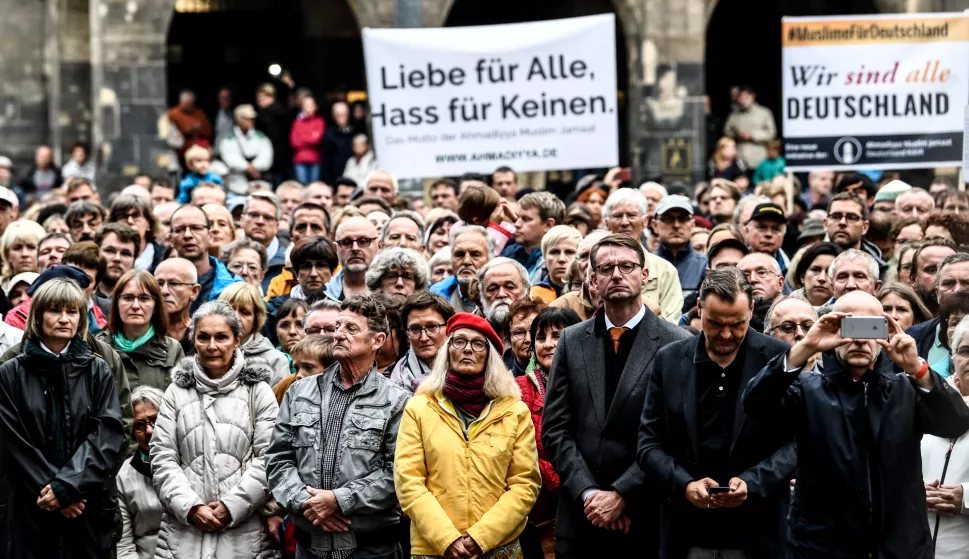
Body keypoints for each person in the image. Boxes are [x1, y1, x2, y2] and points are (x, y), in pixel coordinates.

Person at [744, 290, 969, 558]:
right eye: (850, 326)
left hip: (899, 547)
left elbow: (955, 423)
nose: (860, 339)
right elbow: (756, 403)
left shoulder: (906, 390)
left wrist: (917, 368)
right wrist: (806, 347)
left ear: (884, 332)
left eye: (871, 326)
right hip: (822, 548)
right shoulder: (807, 389)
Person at [543, 234, 692, 558]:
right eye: (606, 268)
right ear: (592, 279)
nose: (617, 274)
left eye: (627, 266)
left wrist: (622, 494)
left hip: (646, 518)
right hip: (581, 519)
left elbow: (676, 433)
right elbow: (555, 428)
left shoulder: (677, 342)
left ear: (645, 274)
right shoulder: (571, 340)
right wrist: (589, 494)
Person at [639, 268, 794, 559]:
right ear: (698, 308)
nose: (725, 334)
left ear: (751, 310)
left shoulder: (776, 358)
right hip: (685, 531)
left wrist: (753, 482)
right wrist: (684, 484)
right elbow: (648, 444)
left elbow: (795, 444)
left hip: (759, 531)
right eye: (715, 323)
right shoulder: (669, 360)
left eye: (737, 324)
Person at [268, 295, 410, 559]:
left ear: (377, 340)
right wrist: (306, 502)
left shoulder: (398, 401)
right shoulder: (299, 391)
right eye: (338, 327)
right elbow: (278, 459)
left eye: (351, 328)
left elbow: (399, 473)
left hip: (372, 549)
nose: (339, 335)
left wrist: (339, 500)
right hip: (308, 546)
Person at [395, 312, 541, 558]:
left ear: (490, 355)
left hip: (498, 545)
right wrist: (447, 538)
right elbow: (408, 481)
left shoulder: (514, 410)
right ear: (448, 350)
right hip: (434, 546)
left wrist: (480, 537)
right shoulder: (420, 407)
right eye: (459, 341)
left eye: (477, 344)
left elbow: (525, 484)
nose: (467, 350)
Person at [0, 278, 124, 558]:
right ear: (38, 315)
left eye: (72, 312)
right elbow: (13, 443)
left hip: (85, 508)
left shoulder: (97, 370)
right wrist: (55, 492)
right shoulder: (11, 373)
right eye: (55, 310)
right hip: (29, 507)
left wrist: (68, 487)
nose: (64, 319)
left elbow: (107, 433)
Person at [150, 300, 279, 559]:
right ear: (193, 340)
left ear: (237, 340)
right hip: (184, 535)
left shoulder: (258, 391)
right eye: (203, 337)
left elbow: (270, 458)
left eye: (221, 337)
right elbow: (162, 456)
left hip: (244, 536)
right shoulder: (177, 392)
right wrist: (191, 507)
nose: (212, 346)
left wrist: (231, 507)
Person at [518, 307, 582, 559]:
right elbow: (522, 454)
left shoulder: (595, 385)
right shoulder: (518, 390)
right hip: (537, 512)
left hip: (587, 508)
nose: (548, 344)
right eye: (541, 338)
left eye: (557, 335)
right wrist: (568, 483)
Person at [923, 315, 969, 559]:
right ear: (953, 357)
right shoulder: (923, 401)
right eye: (966, 351)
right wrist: (911, 492)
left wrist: (967, 498)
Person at [601, 189, 685, 322]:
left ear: (645, 221)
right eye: (617, 216)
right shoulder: (595, 267)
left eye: (631, 215)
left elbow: (671, 323)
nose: (624, 222)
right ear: (606, 223)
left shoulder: (665, 270)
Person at [98, 269, 184, 393]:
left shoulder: (172, 349)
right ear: (117, 303)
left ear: (155, 305)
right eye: (128, 298)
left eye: (144, 298)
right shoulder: (100, 346)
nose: (135, 306)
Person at [116, 385, 165, 559]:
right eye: (140, 425)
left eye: (155, 420)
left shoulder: (191, 463)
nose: (149, 430)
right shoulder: (123, 476)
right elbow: (124, 546)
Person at [169, 204, 242, 314]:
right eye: (179, 229)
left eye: (196, 228)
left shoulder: (235, 288)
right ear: (171, 239)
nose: (188, 235)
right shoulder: (154, 285)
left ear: (210, 236)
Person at [219, 282, 291, 386]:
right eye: (230, 309)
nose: (236, 317)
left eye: (245, 312)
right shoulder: (209, 351)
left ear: (255, 320)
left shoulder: (276, 360)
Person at [653, 195, 707, 309]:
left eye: (683, 219)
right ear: (655, 225)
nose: (676, 225)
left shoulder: (705, 266)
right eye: (668, 219)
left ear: (692, 225)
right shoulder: (645, 264)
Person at [430, 225, 494, 314]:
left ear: (490, 259)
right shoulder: (435, 296)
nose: (466, 261)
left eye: (475, 254)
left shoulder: (503, 292)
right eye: (459, 254)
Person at [502, 192, 566, 277]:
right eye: (518, 217)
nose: (517, 224)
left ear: (548, 225)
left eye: (526, 219)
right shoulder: (508, 253)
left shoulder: (559, 263)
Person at [823, 192, 886, 275]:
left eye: (851, 217)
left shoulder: (880, 270)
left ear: (865, 227)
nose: (842, 222)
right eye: (836, 216)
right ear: (825, 224)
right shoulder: (809, 262)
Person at [220, 104, 274, 196]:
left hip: (258, 182)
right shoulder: (228, 138)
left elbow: (267, 155)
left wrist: (255, 166)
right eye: (247, 118)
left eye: (252, 119)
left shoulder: (260, 136)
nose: (251, 121)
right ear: (238, 119)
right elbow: (229, 157)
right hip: (236, 184)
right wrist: (246, 167)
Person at [325, 216, 380, 301]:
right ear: (336, 249)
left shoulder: (394, 293)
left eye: (363, 241)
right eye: (346, 242)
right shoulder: (321, 297)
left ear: (379, 246)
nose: (355, 248)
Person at [92, 222, 140, 316]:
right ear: (95, 253)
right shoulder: (79, 294)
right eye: (110, 251)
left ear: (134, 259)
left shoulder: (142, 301)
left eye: (125, 253)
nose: (117, 258)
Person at [109, 194, 166, 272]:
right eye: (123, 216)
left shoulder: (164, 255)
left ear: (149, 223)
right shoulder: (103, 254)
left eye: (136, 216)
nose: (130, 221)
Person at [153, 258, 200, 352]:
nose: (164, 291)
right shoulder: (141, 332)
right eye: (159, 284)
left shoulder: (202, 336)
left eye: (174, 283)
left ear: (194, 292)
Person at [723, 86, 776, 168]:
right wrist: (737, 135)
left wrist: (752, 135)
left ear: (753, 96)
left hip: (759, 158)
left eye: (746, 97)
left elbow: (771, 133)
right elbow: (727, 132)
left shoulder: (764, 113)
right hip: (739, 158)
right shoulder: (734, 115)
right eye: (741, 97)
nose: (743, 100)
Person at [531, 225, 582, 304]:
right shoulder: (533, 296)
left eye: (569, 252)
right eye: (554, 252)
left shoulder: (590, 293)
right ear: (545, 257)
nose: (561, 259)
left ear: (580, 256)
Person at [479, 257, 532, 330]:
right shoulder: (469, 332)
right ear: (482, 296)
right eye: (492, 289)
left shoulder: (540, 329)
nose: (501, 294)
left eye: (510, 287)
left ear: (527, 292)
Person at [365, 247, 430, 302]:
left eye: (407, 277)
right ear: (379, 283)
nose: (400, 283)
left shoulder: (427, 316)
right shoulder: (363, 315)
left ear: (417, 286)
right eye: (392, 276)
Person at [504, 297, 547, 377]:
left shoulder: (560, 377)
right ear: (509, 340)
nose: (528, 339)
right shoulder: (504, 382)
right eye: (519, 332)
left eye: (534, 331)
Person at [789, 242, 839, 306]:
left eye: (829, 272)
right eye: (815, 270)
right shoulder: (783, 308)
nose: (822, 278)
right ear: (802, 276)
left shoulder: (847, 311)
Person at [290, 95, 325, 184]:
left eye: (311, 105)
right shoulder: (297, 122)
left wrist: (302, 137)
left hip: (315, 160)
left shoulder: (319, 121)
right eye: (306, 105)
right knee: (302, 188)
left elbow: (317, 140)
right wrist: (310, 137)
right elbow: (294, 142)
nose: (308, 108)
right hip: (300, 160)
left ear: (315, 106)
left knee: (314, 187)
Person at [166, 90, 212, 156]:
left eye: (190, 104)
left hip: (199, 145)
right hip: (181, 147)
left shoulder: (199, 113)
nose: (188, 106)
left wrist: (200, 130)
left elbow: (209, 131)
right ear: (181, 102)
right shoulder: (172, 114)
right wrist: (187, 130)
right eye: (186, 103)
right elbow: (170, 133)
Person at [323, 101, 356, 184]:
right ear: (333, 116)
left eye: (344, 114)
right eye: (338, 115)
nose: (341, 117)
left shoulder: (355, 131)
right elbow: (326, 160)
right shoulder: (329, 133)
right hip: (335, 173)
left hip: (354, 173)